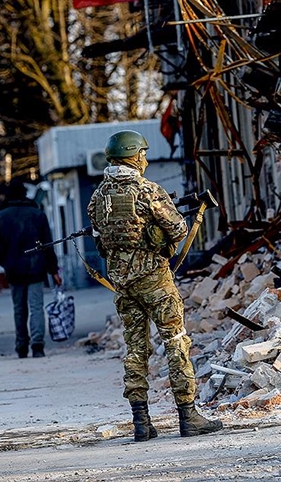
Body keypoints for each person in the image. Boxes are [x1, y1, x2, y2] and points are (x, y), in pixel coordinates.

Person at [86, 130, 223, 441]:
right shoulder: (148, 190)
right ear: (132, 156)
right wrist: (155, 235)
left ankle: (141, 421)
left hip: (123, 285)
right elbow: (179, 229)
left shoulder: (97, 198)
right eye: (143, 154)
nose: (145, 159)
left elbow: (100, 244)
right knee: (175, 341)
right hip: (155, 281)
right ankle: (188, 416)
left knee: (135, 349)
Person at [0, 181, 62, 359]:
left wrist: (6, 262)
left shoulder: (0, 217)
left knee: (19, 309)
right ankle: (37, 345)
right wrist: (53, 270)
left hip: (13, 270)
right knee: (36, 306)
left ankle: (21, 345)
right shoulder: (37, 215)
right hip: (36, 268)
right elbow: (47, 244)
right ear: (24, 194)